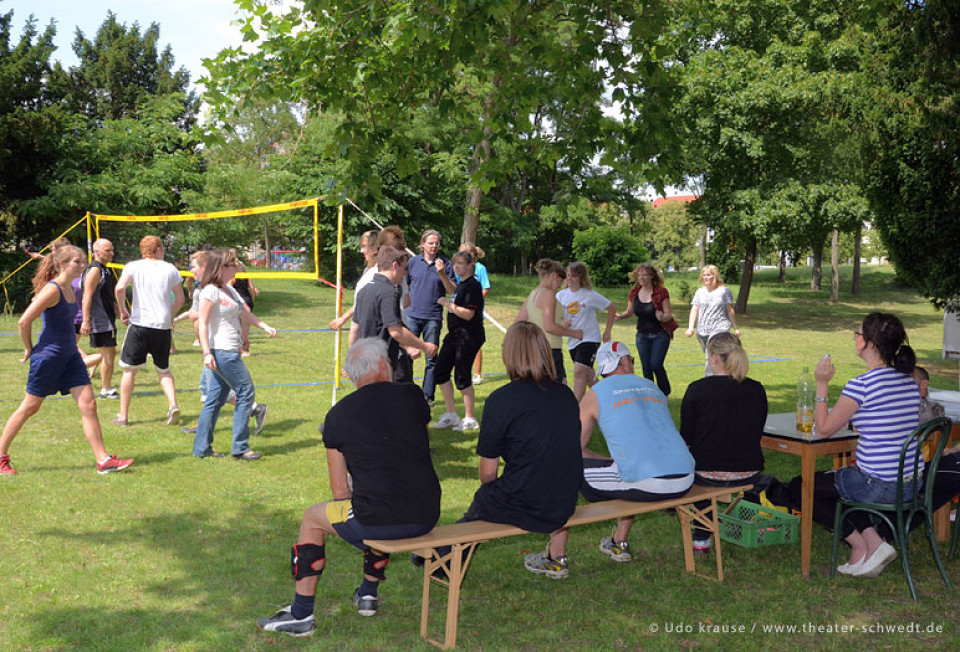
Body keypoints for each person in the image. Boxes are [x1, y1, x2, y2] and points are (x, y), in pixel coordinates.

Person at [257, 338, 441, 636]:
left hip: (380, 518)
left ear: (354, 375)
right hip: (426, 512)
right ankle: (367, 594)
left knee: (314, 518)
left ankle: (302, 614)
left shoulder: (338, 415)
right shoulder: (413, 396)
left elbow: (339, 490)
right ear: (384, 365)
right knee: (375, 502)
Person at [533, 340, 694, 570]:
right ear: (625, 362)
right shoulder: (652, 386)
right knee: (622, 470)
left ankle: (556, 557)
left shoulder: (596, 393)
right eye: (632, 360)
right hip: (685, 476)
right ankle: (619, 541)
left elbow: (572, 447)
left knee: (560, 467)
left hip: (648, 481)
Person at [443, 322, 581, 579]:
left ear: (510, 355)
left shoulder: (502, 399)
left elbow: (487, 473)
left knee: (483, 501)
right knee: (498, 495)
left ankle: (439, 561)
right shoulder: (566, 394)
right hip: (565, 498)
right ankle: (556, 555)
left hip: (531, 502)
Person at [0, 245, 133, 476]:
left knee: (89, 404)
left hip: (70, 356)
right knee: (30, 407)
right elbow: (24, 322)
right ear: (62, 264)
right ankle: (1, 456)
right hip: (48, 357)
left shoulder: (73, 289)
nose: (82, 266)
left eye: (83, 262)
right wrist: (29, 348)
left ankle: (103, 460)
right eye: (77, 262)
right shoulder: (53, 290)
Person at [808, 312, 920, 578]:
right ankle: (870, 546)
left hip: (879, 487)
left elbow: (823, 429)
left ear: (870, 343)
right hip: (912, 485)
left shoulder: (862, 385)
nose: (855, 338)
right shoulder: (909, 382)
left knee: (808, 486)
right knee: (842, 479)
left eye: (857, 334)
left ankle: (865, 544)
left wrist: (821, 384)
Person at [680, 332, 766, 552]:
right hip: (749, 471)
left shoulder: (697, 389)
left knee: (693, 469)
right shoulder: (757, 389)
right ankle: (742, 520)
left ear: (715, 357)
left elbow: (686, 439)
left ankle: (702, 535)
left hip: (707, 473)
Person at [194, 249, 277, 460]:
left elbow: (244, 313)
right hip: (221, 351)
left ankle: (202, 448)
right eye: (233, 265)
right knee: (246, 391)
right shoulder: (210, 291)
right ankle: (240, 447)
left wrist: (264, 326)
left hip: (230, 349)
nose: (237, 269)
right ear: (222, 268)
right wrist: (206, 353)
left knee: (215, 398)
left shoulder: (229, 291)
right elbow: (202, 323)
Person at [179, 251, 268, 437]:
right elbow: (202, 316)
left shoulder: (218, 290)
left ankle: (244, 428)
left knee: (221, 392)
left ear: (206, 267)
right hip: (214, 348)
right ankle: (204, 438)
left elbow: (239, 312)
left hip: (221, 350)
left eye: (194, 266)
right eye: (233, 264)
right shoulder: (208, 290)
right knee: (211, 392)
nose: (191, 270)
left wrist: (258, 329)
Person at [113, 235, 185, 426]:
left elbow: (119, 289)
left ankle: (123, 416)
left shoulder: (133, 266)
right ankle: (173, 405)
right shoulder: (170, 268)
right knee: (164, 370)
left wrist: (122, 310)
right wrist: (165, 314)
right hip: (161, 327)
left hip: (139, 325)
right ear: (159, 249)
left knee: (129, 371)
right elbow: (180, 300)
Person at [353, 246, 437, 383]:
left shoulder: (365, 289)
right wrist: (425, 346)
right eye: (404, 268)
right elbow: (396, 331)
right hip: (381, 364)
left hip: (365, 361)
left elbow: (355, 327)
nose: (405, 274)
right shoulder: (388, 292)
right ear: (394, 265)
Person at [431, 251, 486, 431]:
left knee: (462, 376)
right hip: (454, 335)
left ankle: (470, 419)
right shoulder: (462, 285)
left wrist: (447, 304)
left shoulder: (473, 286)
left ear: (471, 265)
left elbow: (469, 314)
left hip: (468, 336)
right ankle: (451, 414)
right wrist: (442, 274)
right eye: (455, 263)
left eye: (461, 263)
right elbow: (452, 289)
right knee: (440, 372)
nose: (457, 266)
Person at [405, 229, 457, 404]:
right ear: (422, 245)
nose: (434, 246)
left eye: (436, 243)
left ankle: (427, 396)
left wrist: (441, 273)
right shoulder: (412, 262)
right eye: (430, 243)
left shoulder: (445, 264)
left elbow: (452, 290)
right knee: (407, 356)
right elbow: (405, 286)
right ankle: (407, 393)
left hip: (433, 317)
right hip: (412, 315)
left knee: (432, 358)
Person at [556, 261, 616, 401]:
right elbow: (553, 316)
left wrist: (607, 331)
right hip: (573, 341)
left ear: (581, 278)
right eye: (568, 276)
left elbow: (611, 307)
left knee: (579, 372)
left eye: (574, 276)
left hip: (590, 338)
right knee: (588, 376)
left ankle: (576, 410)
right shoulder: (561, 296)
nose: (570, 279)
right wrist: (561, 322)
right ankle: (606, 401)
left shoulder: (589, 295)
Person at [516, 259, 582, 385]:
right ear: (554, 276)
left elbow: (518, 323)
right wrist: (574, 333)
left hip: (535, 350)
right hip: (550, 350)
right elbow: (549, 326)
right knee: (559, 389)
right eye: (560, 282)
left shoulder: (532, 295)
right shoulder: (548, 294)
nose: (559, 287)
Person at [617, 263, 677, 396]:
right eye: (639, 275)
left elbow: (668, 314)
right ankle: (651, 395)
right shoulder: (634, 293)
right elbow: (629, 312)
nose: (641, 277)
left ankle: (664, 392)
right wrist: (620, 316)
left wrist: (662, 317)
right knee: (646, 368)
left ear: (651, 276)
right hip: (642, 336)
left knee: (656, 364)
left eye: (644, 274)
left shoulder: (660, 292)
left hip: (660, 334)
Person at [80, 238, 120, 399]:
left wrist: (120, 310)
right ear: (97, 252)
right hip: (100, 319)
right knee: (108, 354)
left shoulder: (106, 269)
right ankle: (106, 389)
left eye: (112, 250)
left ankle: (106, 387)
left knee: (109, 354)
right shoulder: (95, 270)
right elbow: (86, 296)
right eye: (107, 250)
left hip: (107, 317)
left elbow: (107, 296)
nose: (112, 253)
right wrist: (86, 320)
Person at [685, 264, 740, 376]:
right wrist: (690, 328)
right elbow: (694, 310)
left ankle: (709, 382)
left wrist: (736, 327)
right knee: (714, 357)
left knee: (710, 356)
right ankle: (726, 376)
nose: (705, 277)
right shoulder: (700, 292)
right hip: (703, 330)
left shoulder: (724, 291)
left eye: (708, 275)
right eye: (704, 275)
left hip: (720, 328)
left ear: (714, 276)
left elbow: (730, 310)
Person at [329, 230, 379, 348]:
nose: (361, 251)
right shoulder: (368, 270)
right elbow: (359, 303)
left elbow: (364, 304)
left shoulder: (378, 272)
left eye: (364, 246)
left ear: (375, 247)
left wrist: (344, 318)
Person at [458, 243, 491, 385]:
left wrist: (472, 299)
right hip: (459, 311)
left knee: (475, 343)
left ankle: (477, 373)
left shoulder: (480, 269)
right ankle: (463, 371)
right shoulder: (458, 269)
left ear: (472, 255)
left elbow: (485, 289)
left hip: (474, 312)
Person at [229, 258, 259, 357]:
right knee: (245, 327)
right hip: (247, 301)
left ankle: (242, 349)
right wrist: (252, 300)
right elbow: (253, 289)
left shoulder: (232, 278)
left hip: (239, 303)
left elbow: (227, 289)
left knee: (238, 327)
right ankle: (245, 349)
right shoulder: (246, 276)